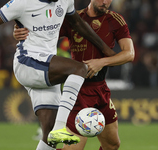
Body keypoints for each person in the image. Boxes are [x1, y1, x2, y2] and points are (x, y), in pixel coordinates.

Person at [0, 0, 116, 150]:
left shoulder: (65, 1)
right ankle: (60, 128)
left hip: (47, 68)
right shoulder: (22, 3)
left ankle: (55, 130)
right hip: (27, 62)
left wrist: (103, 47)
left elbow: (77, 23)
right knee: (79, 69)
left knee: (49, 135)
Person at [13, 0, 135, 150]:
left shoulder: (115, 20)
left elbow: (129, 54)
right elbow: (44, 33)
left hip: (101, 89)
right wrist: (22, 31)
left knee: (113, 144)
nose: (105, 2)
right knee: (73, 148)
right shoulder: (73, 18)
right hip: (79, 91)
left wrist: (101, 62)